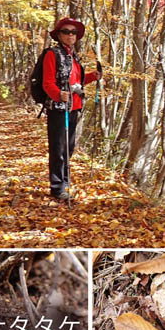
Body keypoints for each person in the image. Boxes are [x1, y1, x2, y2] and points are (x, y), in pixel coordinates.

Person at [42, 17, 101, 201]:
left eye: (73, 32)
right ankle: (58, 187)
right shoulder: (52, 54)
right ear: (59, 35)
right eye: (66, 32)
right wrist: (59, 94)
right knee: (58, 148)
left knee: (69, 148)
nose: (70, 35)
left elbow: (75, 81)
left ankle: (65, 184)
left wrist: (93, 76)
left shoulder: (73, 56)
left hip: (73, 107)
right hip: (59, 108)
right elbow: (48, 83)